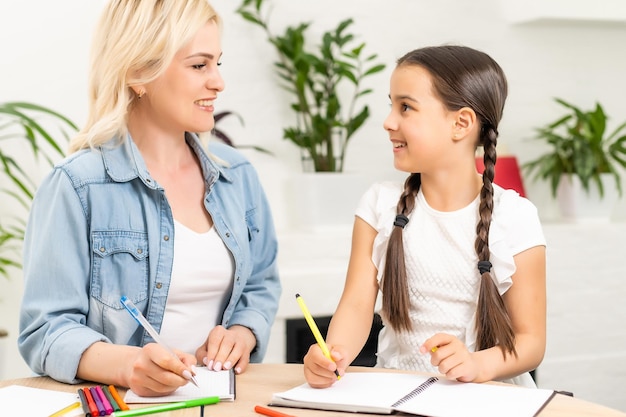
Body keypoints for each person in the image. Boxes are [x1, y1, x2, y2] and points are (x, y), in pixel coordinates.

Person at [18, 0, 281, 397]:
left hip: (227, 401)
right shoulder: (76, 186)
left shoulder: (237, 175)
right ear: (140, 72)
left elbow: (260, 284)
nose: (218, 82)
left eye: (218, 64)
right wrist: (127, 365)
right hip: (128, 405)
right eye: (199, 65)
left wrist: (242, 332)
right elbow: (46, 330)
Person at [303, 45, 546, 389]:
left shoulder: (516, 217)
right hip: (396, 393)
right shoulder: (379, 204)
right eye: (392, 105)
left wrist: (477, 364)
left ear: (460, 123)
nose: (388, 122)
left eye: (405, 107)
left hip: (487, 399)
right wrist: (333, 354)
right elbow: (357, 304)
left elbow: (531, 341)